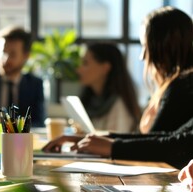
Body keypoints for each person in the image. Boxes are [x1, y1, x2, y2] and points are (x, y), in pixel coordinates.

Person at [42, 6, 193, 169]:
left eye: (145, 46)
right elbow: (172, 138)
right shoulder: (179, 84)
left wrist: (111, 145)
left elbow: (171, 146)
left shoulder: (183, 85)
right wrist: (103, 139)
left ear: (163, 47)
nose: (142, 57)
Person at [77, 43, 141, 133]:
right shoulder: (90, 101)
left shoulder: (119, 105)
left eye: (85, 63)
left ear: (105, 67)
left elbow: (115, 142)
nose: (79, 69)